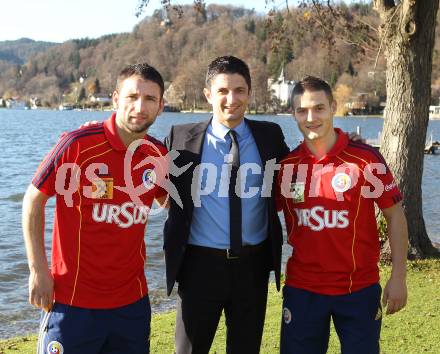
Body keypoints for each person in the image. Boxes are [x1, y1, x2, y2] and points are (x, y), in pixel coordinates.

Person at [22, 63, 168, 354]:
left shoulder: (157, 155)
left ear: (161, 106)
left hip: (132, 304)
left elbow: (169, 202)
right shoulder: (77, 144)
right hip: (72, 303)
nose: (140, 106)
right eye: (132, 96)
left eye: (150, 99)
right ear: (115, 99)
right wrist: (38, 269)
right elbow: (33, 200)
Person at [164, 55, 290, 353]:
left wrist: (340, 141)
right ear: (208, 94)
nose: (231, 99)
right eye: (222, 91)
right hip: (199, 267)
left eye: (239, 90)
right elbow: (139, 162)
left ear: (249, 93)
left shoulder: (270, 135)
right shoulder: (180, 138)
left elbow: (302, 165)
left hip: (253, 266)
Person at [276, 76, 408, 354]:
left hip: (358, 289)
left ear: (333, 107)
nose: (310, 117)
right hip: (303, 290)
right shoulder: (287, 166)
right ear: (293, 114)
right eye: (302, 110)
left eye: (319, 108)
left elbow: (395, 216)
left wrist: (398, 277)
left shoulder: (367, 159)